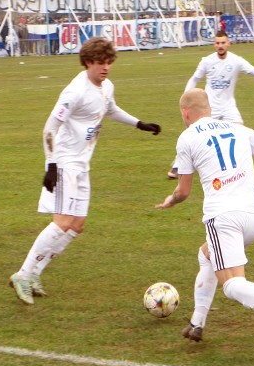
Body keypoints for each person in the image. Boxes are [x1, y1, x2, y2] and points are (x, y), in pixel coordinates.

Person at [9, 37, 161, 305]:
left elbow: (110, 109)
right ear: (88, 62)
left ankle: (34, 274)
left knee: (77, 226)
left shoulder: (106, 86)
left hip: (82, 165)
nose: (106, 68)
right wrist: (52, 165)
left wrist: (139, 124)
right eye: (100, 63)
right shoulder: (74, 92)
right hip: (65, 163)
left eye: (109, 62)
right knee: (63, 222)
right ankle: (22, 274)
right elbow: (49, 129)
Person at [156, 88, 254, 358]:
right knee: (207, 253)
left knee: (232, 284)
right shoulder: (238, 128)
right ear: (208, 108)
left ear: (186, 113)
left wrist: (171, 200)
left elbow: (183, 191)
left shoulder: (187, 138)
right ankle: (197, 323)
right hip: (253, 218)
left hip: (223, 218)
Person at [167, 30, 254, 179]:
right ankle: (178, 166)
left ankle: (240, 165)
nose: (220, 46)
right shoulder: (207, 61)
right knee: (194, 133)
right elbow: (194, 78)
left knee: (241, 133)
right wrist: (186, 95)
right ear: (214, 44)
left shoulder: (237, 61)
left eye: (223, 43)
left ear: (228, 43)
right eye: (217, 43)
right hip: (209, 107)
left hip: (229, 107)